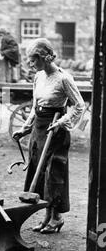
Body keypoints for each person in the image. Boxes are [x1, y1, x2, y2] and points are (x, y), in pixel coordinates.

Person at [12, 38, 85, 234]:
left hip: (56, 131)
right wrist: (25, 128)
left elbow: (79, 105)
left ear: (44, 57)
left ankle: (57, 217)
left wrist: (62, 122)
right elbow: (35, 107)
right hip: (39, 129)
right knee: (40, 171)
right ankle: (46, 216)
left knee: (54, 174)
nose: (30, 64)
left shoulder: (63, 78)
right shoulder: (38, 77)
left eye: (33, 60)